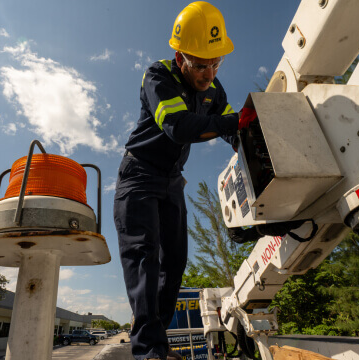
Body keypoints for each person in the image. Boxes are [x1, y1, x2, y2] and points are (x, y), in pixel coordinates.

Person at [113, 2, 246, 359]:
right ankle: (149, 350)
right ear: (180, 56)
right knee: (146, 260)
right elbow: (177, 128)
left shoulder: (213, 90)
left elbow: (234, 125)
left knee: (174, 263)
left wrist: (247, 142)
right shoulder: (157, 76)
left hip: (172, 182)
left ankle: (158, 340)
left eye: (216, 63)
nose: (209, 73)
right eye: (201, 65)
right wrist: (232, 125)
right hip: (139, 176)